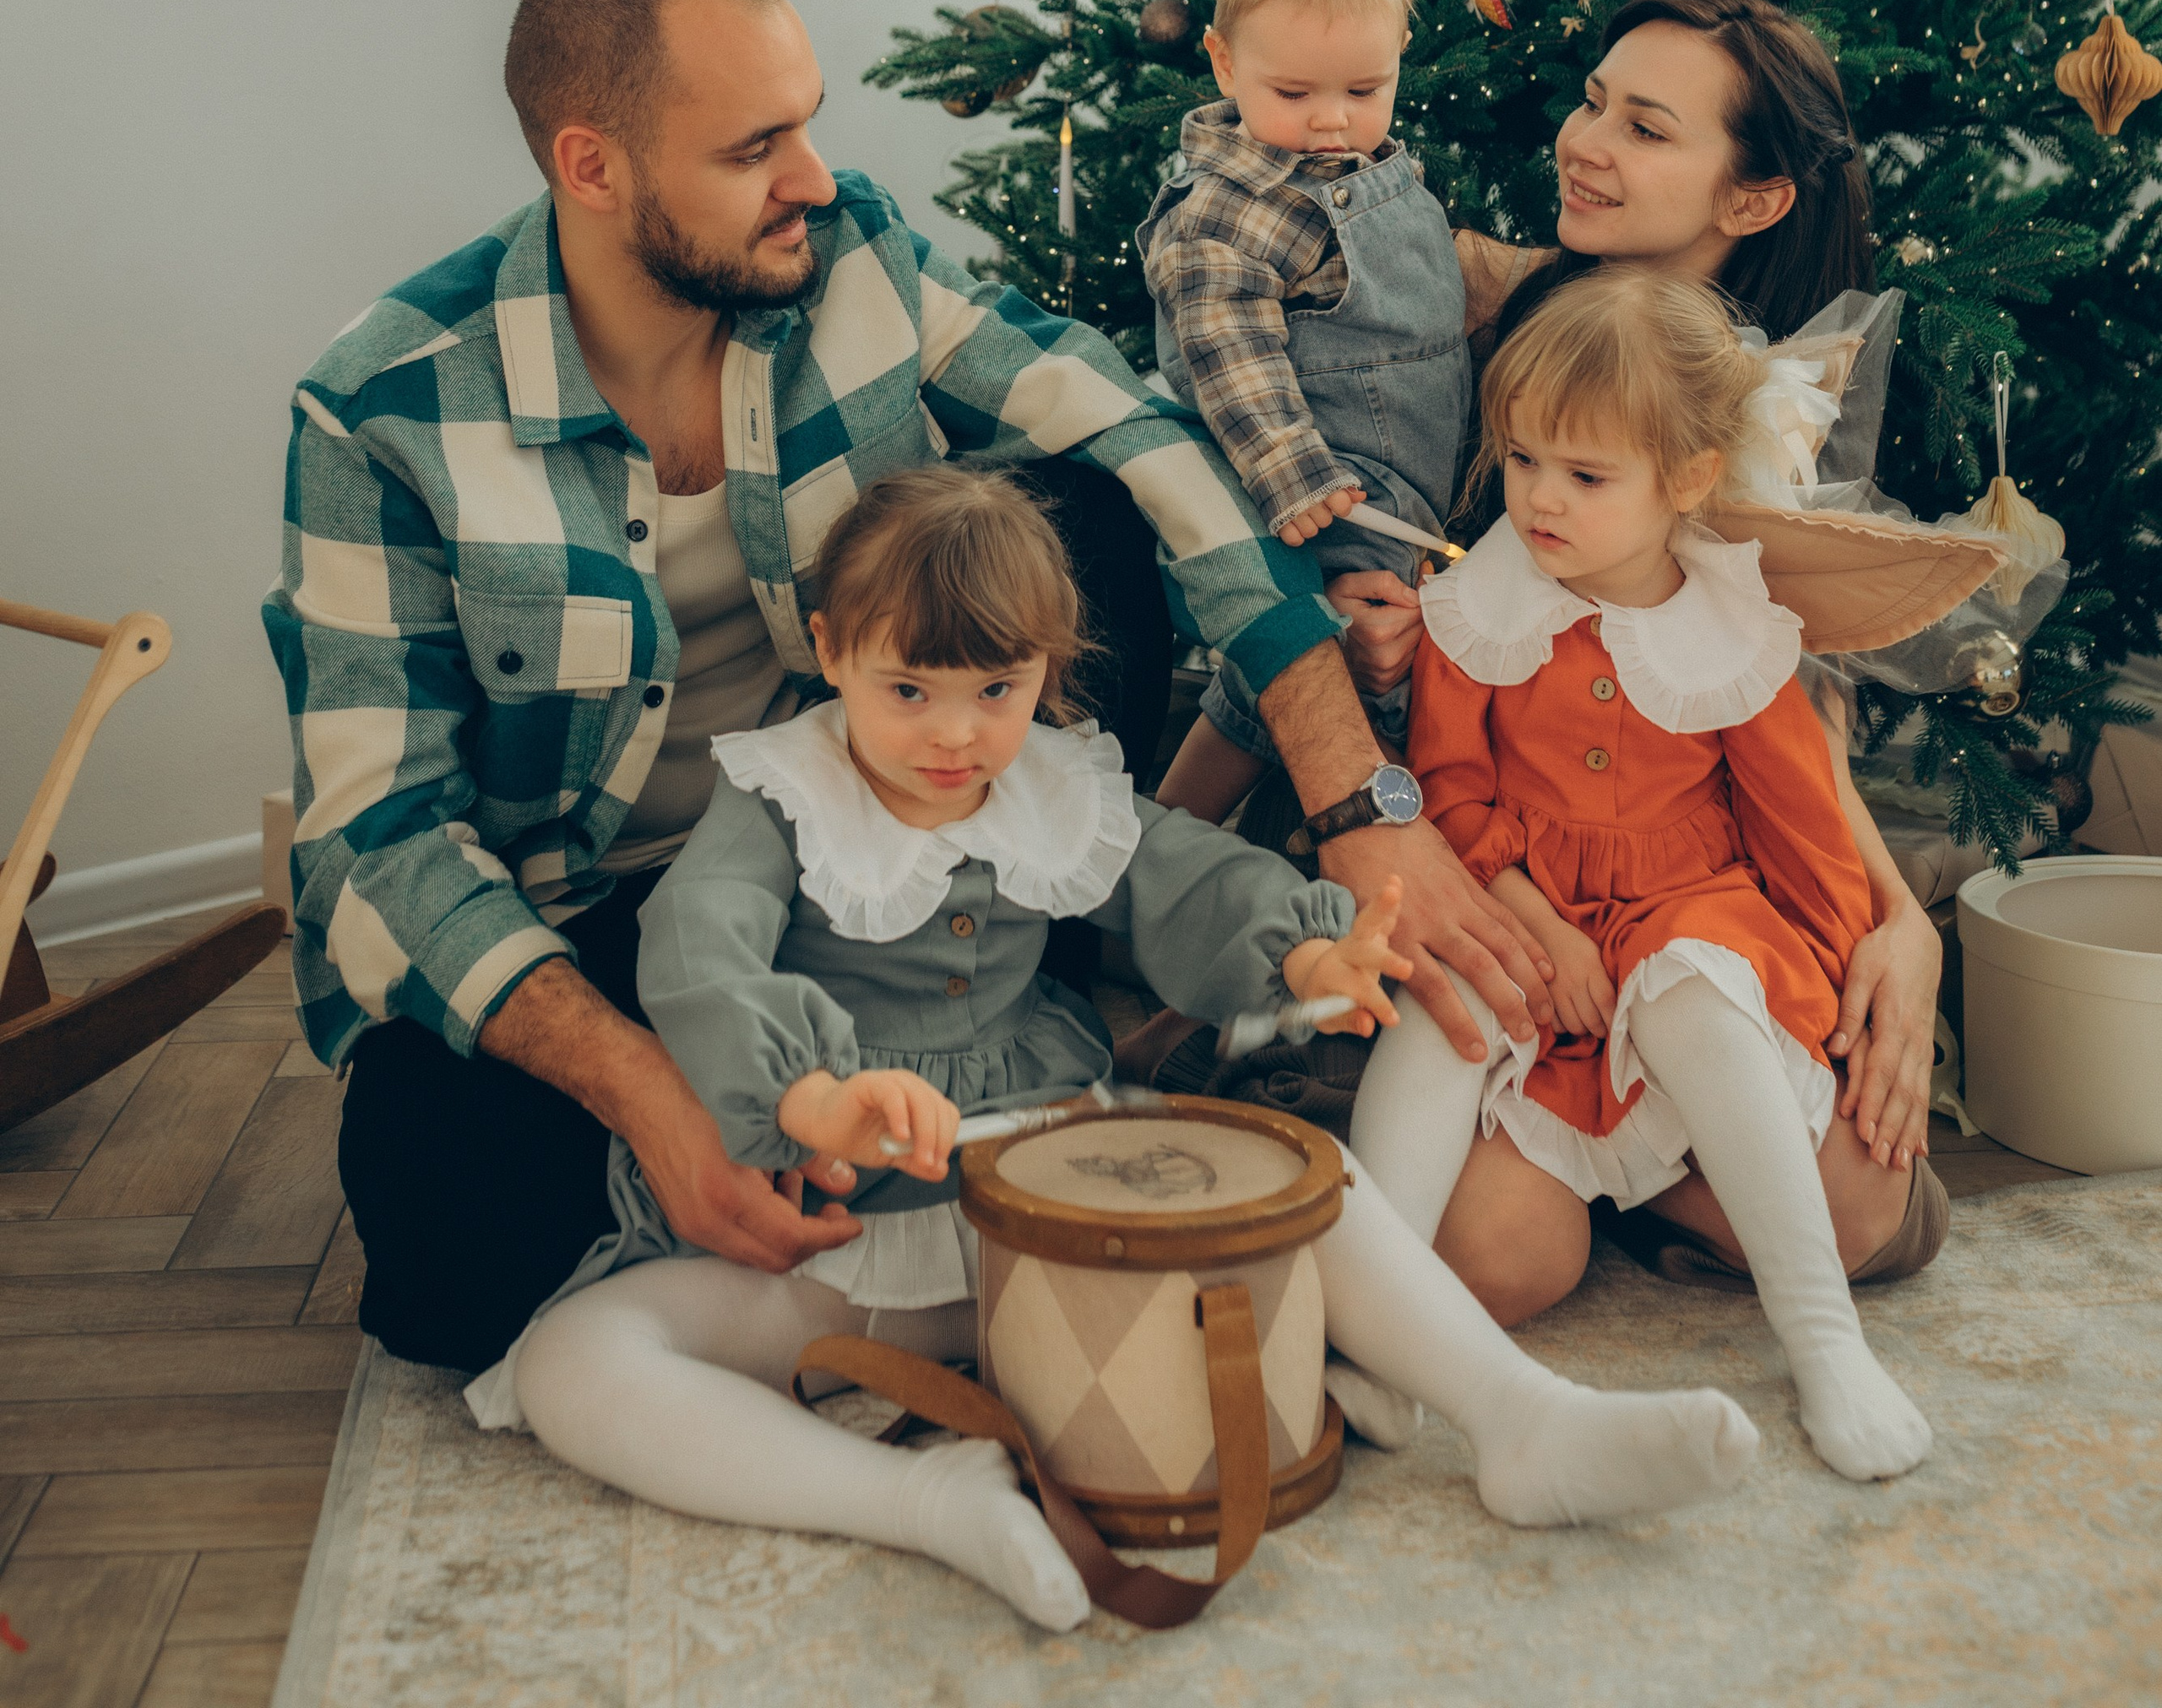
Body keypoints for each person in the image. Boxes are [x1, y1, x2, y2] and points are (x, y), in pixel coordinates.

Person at [266, 0, 1551, 1373]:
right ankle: (855, 1160)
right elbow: (378, 842)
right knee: (453, 1268)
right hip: (596, 925)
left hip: (885, 832)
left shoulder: (851, 253)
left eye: (806, 127)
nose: (813, 179)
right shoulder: (383, 413)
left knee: (1084, 504)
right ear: (592, 167)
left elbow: (1145, 436)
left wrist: (1356, 808)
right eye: (756, 150)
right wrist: (657, 1097)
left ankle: (1010, 993)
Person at [476, 466, 1758, 1630]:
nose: (952, 736)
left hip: (1053, 1202)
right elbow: (700, 954)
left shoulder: (1053, 782)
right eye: (906, 691)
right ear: (830, 652)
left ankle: (1525, 1419)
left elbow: (1184, 881)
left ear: (1043, 668)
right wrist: (811, 1098)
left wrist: (1311, 955)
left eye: (996, 692)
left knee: (1311, 1189)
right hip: (841, 1235)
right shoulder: (777, 792)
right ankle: (933, 1506)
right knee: (574, 1363)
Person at [1316, 0, 1947, 1315]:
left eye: (1645, 127)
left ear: (1753, 200)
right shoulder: (1487, 309)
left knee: (1862, 1208)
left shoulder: (1771, 404)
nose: (1583, 141)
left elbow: (1775, 700)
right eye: (1594, 99)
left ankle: (1650, 1152)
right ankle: (1592, 1155)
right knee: (1490, 1259)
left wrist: (1900, 924)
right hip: (1495, 835)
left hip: (1684, 879)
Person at [1350, 275, 1932, 1483]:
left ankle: (1824, 1345)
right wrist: (1535, 928)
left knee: (1692, 992)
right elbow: (1449, 798)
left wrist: (1822, 992)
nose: (1542, 499)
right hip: (1528, 921)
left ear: (1686, 481)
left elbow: (1802, 827)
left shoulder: (1735, 632)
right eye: (1522, 461)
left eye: (1586, 475)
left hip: (1690, 920)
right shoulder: (1479, 611)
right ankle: (1371, 1322)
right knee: (1448, 1029)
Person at [1138, 0, 1468, 816]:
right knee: (1307, 669)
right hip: (1326, 488)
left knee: (1360, 663)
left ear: (1399, 46)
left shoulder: (1352, 170)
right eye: (1294, 94)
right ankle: (1179, 834)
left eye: (1363, 91)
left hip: (1407, 479)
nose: (1333, 120)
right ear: (1222, 59)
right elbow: (1221, 346)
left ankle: (1280, 837)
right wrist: (1292, 475)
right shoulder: (1230, 207)